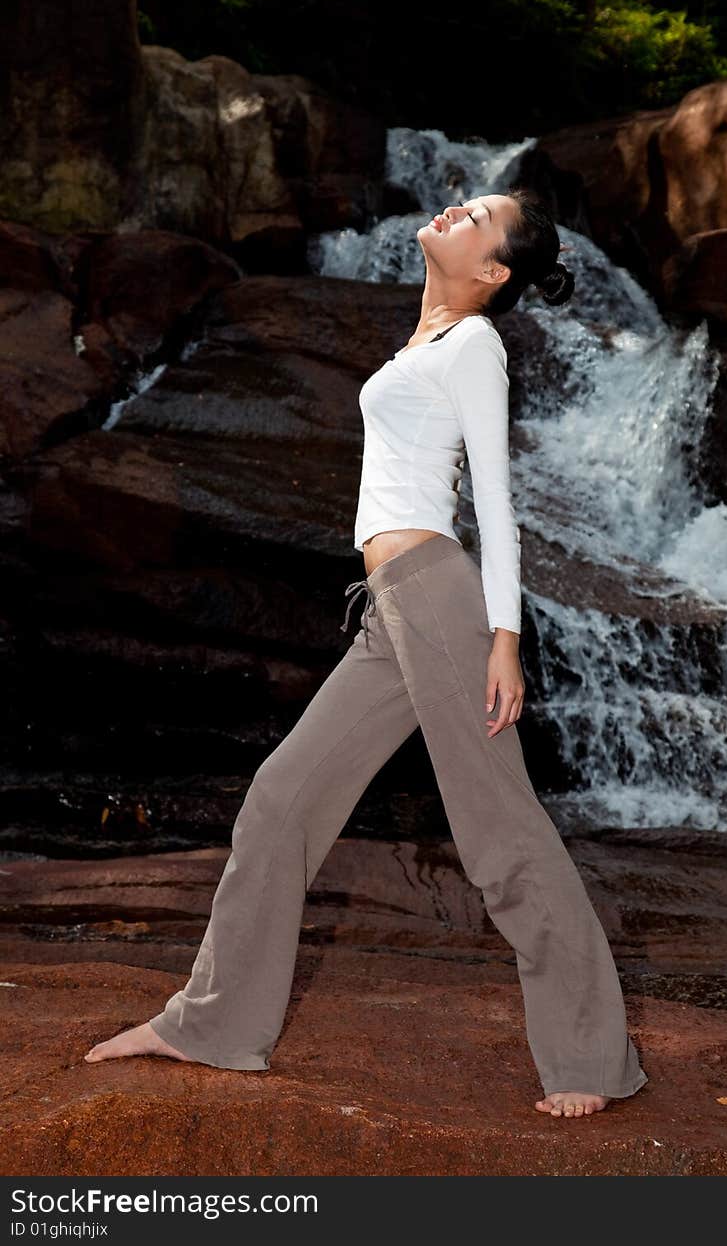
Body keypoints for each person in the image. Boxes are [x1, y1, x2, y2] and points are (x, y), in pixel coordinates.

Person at [84, 187, 648, 1120]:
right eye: (466, 204)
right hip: (391, 609)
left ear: (492, 274)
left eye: (479, 220)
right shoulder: (423, 341)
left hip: (440, 602)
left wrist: (505, 640)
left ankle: (590, 1055)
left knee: (499, 833)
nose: (458, 212)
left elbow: (497, 508)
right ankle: (215, 1024)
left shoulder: (476, 345)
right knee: (279, 800)